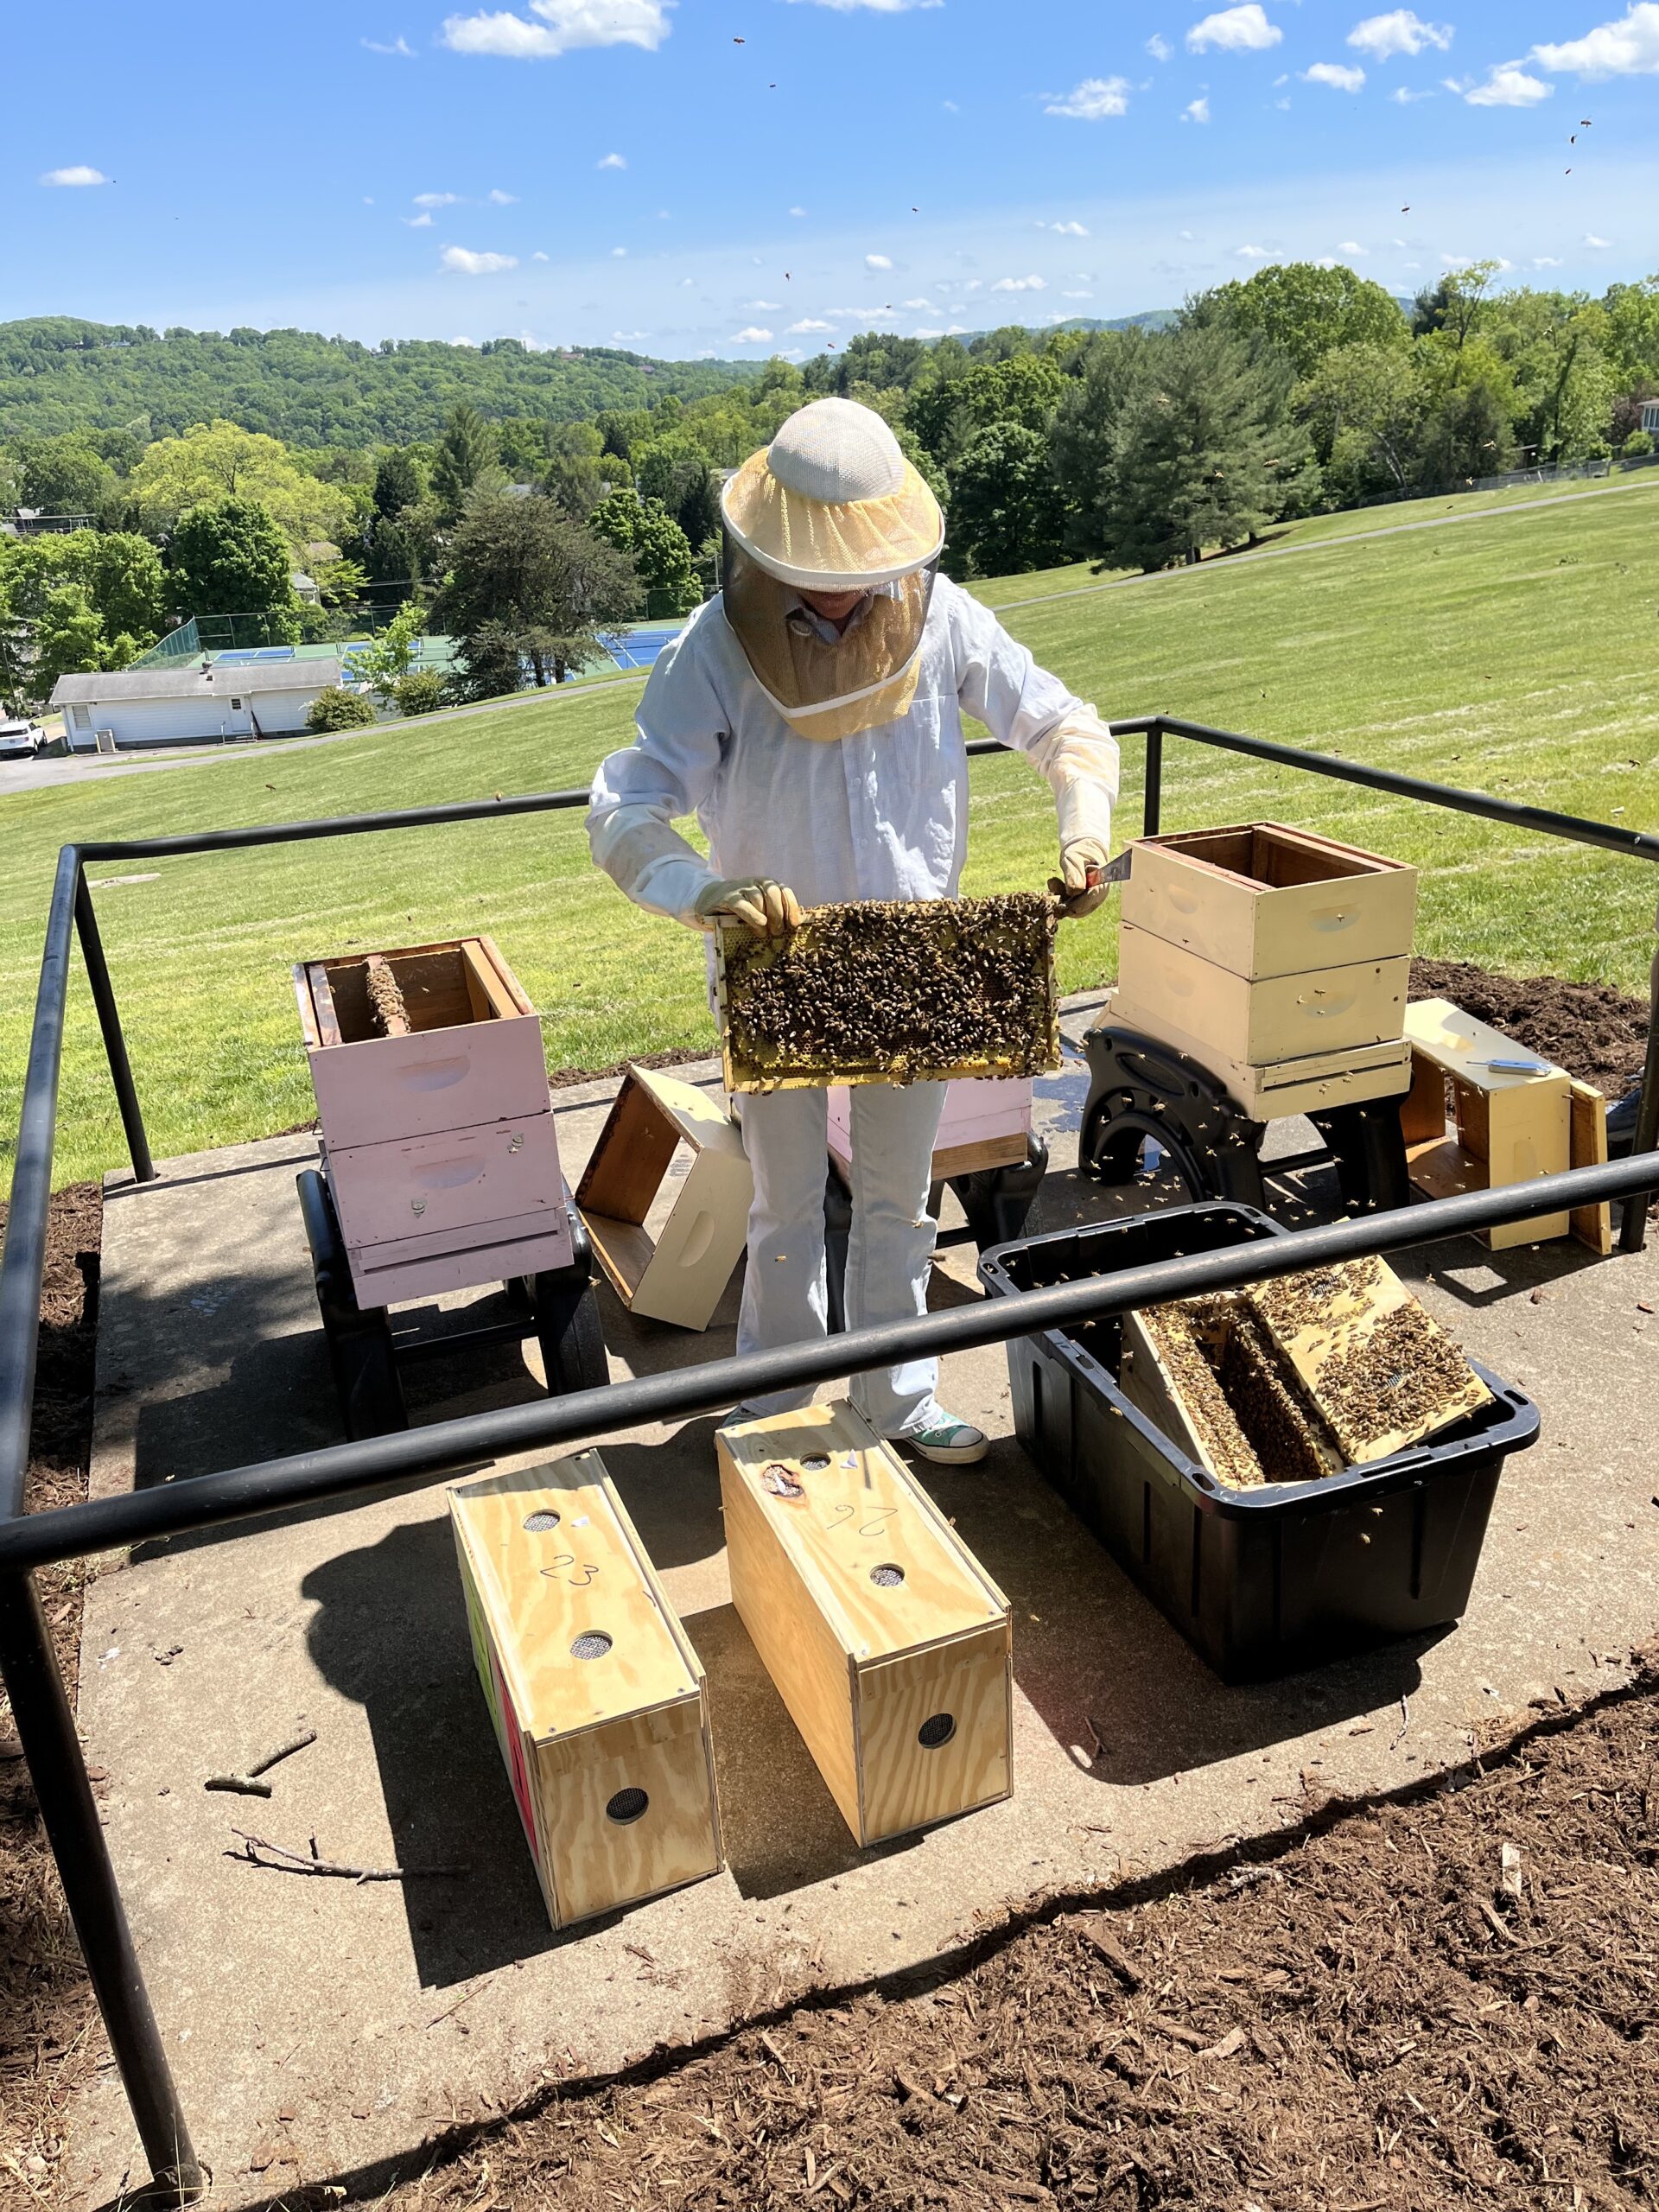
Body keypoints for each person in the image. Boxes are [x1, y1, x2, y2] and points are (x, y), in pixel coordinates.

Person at [588, 397, 1118, 1464]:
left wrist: (1086, 830)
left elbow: (1063, 724)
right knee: (783, 1204)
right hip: (774, 965)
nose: (838, 587)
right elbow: (624, 804)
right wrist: (701, 887)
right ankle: (779, 1395)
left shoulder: (945, 614)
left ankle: (898, 1397)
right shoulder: (712, 647)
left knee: (898, 1196)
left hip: (917, 963)